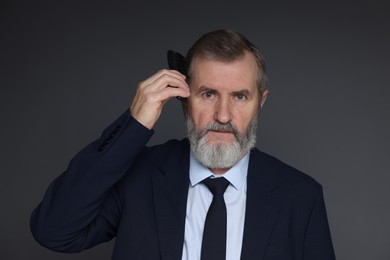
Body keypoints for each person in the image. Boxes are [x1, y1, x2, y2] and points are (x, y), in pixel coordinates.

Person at [31, 29, 336, 260]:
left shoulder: (301, 195)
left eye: (239, 96)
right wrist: (134, 126)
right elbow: (53, 231)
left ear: (260, 103)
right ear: (184, 99)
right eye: (208, 94)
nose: (223, 115)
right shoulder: (138, 178)